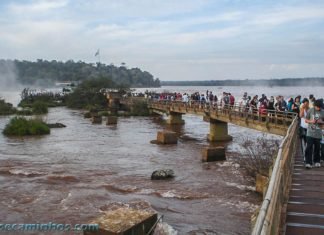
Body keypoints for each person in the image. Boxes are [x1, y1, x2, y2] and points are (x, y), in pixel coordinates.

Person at [304, 99, 324, 169]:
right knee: (309, 147)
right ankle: (308, 162)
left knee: (317, 148)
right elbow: (306, 120)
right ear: (315, 105)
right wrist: (311, 121)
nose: (319, 108)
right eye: (317, 107)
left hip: (318, 133)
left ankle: (317, 161)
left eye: (320, 107)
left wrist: (321, 122)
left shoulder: (322, 112)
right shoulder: (310, 110)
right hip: (310, 132)